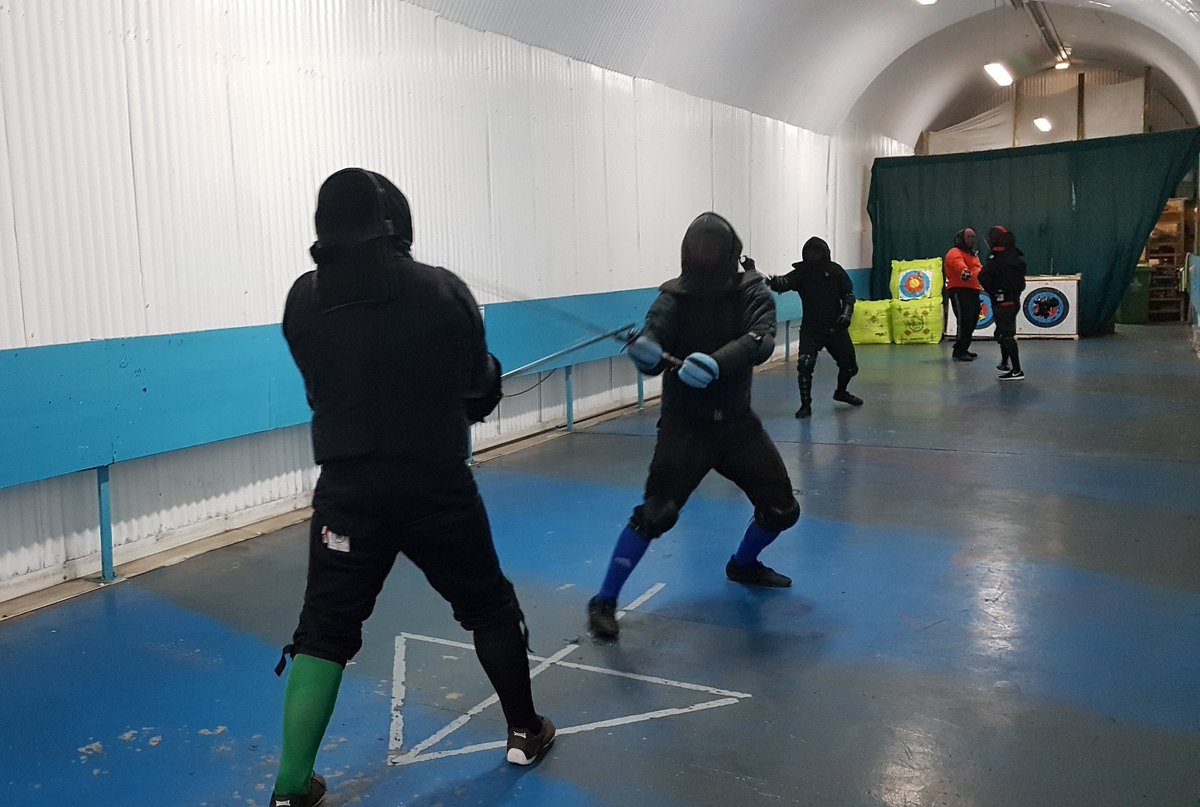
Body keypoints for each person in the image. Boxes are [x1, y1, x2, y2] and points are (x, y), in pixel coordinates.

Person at [272, 168, 554, 807]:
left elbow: (325, 379)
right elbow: (477, 391)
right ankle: (522, 731)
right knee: (487, 604)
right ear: (396, 222)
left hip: (345, 493)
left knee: (324, 631)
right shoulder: (440, 291)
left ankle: (290, 790)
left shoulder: (301, 299)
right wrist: (483, 379)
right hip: (435, 488)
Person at [586, 212, 801, 640]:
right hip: (686, 427)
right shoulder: (673, 298)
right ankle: (604, 600)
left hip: (737, 426)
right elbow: (655, 335)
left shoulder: (751, 290)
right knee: (656, 514)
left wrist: (718, 362)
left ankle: (743, 566)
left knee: (781, 510)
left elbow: (761, 338)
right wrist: (647, 353)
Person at [766, 237, 862, 418]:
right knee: (805, 365)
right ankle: (805, 405)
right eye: (810, 252)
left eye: (817, 252)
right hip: (811, 329)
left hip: (836, 329)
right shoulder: (801, 273)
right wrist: (764, 277)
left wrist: (846, 314)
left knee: (850, 367)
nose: (814, 256)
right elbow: (783, 284)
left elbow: (848, 295)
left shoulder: (835, 271)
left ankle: (841, 392)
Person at [979, 225, 1027, 381]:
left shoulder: (997, 258)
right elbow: (1021, 284)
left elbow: (983, 277)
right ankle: (1005, 363)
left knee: (1005, 335)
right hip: (1013, 300)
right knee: (1003, 333)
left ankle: (1017, 370)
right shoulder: (1014, 255)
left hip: (1003, 302)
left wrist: (994, 291)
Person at [944, 227, 984, 361]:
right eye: (969, 237)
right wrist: (964, 272)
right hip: (959, 290)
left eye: (973, 237)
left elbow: (978, 269)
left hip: (973, 290)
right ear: (961, 239)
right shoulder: (954, 252)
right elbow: (957, 264)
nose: (972, 240)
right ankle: (959, 351)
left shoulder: (973, 254)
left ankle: (964, 347)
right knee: (964, 320)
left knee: (972, 319)